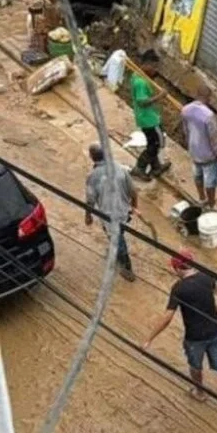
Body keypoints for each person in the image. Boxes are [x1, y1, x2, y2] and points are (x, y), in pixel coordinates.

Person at [144, 250, 217, 420]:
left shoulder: (178, 288)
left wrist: (149, 339)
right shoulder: (207, 278)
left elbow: (168, 317)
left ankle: (200, 392)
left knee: (195, 365)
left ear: (177, 268)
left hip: (195, 337)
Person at [84, 143, 138, 282]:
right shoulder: (119, 168)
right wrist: (134, 207)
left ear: (91, 157)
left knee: (117, 240)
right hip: (124, 212)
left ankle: (127, 267)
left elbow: (90, 200)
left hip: (109, 216)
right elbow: (133, 191)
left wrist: (88, 215)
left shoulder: (93, 177)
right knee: (119, 235)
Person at [180, 84, 217, 209]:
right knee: (210, 182)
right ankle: (211, 204)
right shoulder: (208, 115)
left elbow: (185, 131)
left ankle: (201, 198)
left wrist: (189, 144)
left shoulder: (185, 109)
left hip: (194, 150)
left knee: (198, 176)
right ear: (208, 97)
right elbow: (214, 138)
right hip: (208, 155)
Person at [130, 50, 170, 181]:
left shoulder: (137, 76)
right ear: (147, 64)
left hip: (144, 118)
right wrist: (160, 96)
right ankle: (139, 168)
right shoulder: (140, 82)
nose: (155, 70)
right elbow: (142, 102)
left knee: (153, 142)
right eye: (154, 66)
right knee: (155, 144)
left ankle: (156, 167)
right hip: (149, 119)